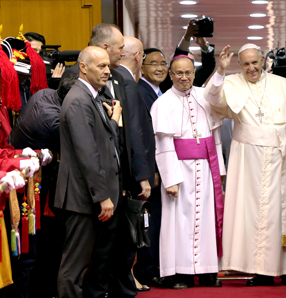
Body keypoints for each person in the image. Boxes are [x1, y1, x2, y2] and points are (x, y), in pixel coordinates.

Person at [204, 44, 286, 286]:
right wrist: (220, 70)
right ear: (240, 65)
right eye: (246, 64)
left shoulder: (282, 84)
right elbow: (211, 98)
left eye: (255, 62)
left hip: (282, 157)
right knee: (253, 215)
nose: (252, 68)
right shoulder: (231, 83)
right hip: (248, 159)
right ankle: (260, 270)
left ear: (262, 60)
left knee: (281, 213)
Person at [151, 55, 225, 289]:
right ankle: (181, 273)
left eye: (188, 73)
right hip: (179, 169)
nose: (184, 77)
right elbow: (162, 146)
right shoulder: (162, 104)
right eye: (179, 73)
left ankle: (207, 271)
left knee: (206, 219)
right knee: (179, 222)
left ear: (194, 73)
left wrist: (219, 169)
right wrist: (170, 179)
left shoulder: (204, 96)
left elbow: (216, 138)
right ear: (171, 75)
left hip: (205, 167)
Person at [55, 46, 122, 298]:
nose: (107, 71)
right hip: (82, 197)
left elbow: (103, 141)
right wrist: (102, 195)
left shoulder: (91, 97)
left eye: (107, 66)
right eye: (100, 66)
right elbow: (88, 155)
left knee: (83, 266)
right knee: (74, 268)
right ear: (83, 67)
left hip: (87, 196)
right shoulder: (79, 100)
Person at [9, 74, 77, 298]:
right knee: (44, 240)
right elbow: (78, 150)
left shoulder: (44, 94)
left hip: (23, 172)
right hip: (33, 184)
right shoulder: (56, 120)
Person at [114, 36, 156, 292]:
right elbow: (135, 134)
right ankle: (125, 282)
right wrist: (143, 175)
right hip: (128, 173)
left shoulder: (122, 79)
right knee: (128, 233)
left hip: (123, 170)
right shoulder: (127, 82)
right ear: (139, 56)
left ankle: (126, 279)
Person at [134, 47, 167, 288]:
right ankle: (146, 269)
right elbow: (143, 137)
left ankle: (158, 265)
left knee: (160, 220)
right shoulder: (138, 91)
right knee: (150, 221)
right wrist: (149, 170)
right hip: (151, 170)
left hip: (165, 168)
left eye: (162, 63)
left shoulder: (162, 92)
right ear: (142, 67)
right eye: (153, 63)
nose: (159, 67)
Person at [159, 19, 216, 93]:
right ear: (171, 72)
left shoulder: (193, 82)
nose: (184, 78)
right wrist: (187, 35)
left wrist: (204, 46)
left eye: (190, 62)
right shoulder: (166, 83)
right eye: (180, 72)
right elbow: (179, 54)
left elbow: (208, 66)